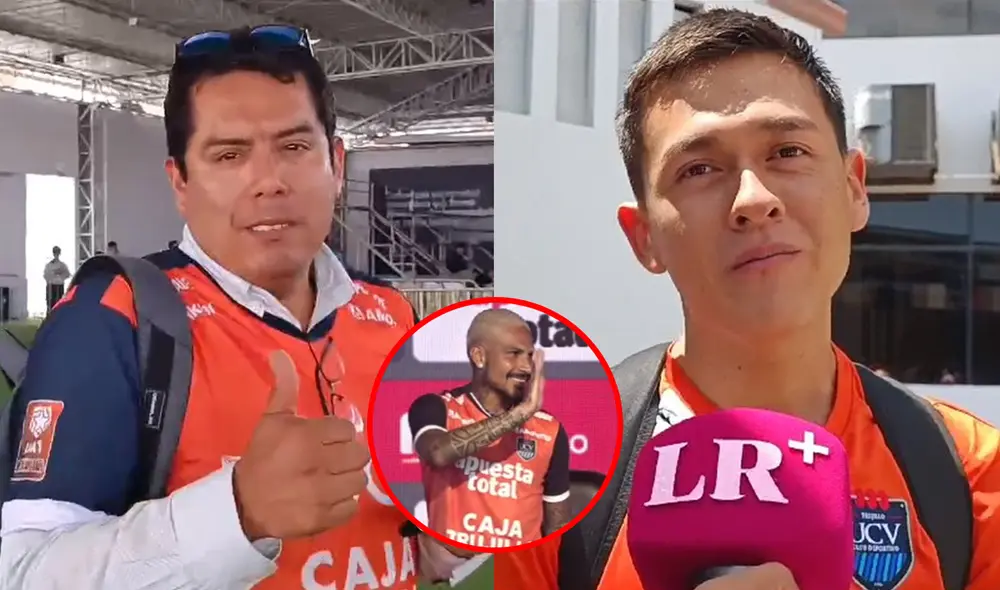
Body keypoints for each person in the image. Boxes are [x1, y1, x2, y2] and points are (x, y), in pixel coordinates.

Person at [496, 8, 1000, 590]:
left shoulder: (968, 473)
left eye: (787, 152)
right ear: (644, 238)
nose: (754, 199)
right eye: (701, 168)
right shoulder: (540, 474)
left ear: (854, 188)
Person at [0, 25, 476, 589]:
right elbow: (26, 572)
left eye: (295, 147)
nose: (269, 181)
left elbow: (418, 550)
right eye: (229, 155)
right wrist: (239, 512)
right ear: (181, 181)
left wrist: (467, 521)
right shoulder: (116, 318)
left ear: (338, 164)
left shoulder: (392, 316)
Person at [407, 308, 572, 551]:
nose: (525, 367)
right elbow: (438, 453)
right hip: (453, 578)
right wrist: (520, 415)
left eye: (529, 356)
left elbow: (558, 532)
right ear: (479, 357)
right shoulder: (436, 408)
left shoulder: (549, 431)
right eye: (513, 354)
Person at [42, 246, 71, 311]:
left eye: (58, 253)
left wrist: (61, 275)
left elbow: (67, 274)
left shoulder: (62, 265)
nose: (56, 254)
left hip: (59, 285)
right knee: (50, 302)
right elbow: (45, 275)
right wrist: (52, 275)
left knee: (59, 302)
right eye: (55, 252)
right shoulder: (49, 265)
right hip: (51, 285)